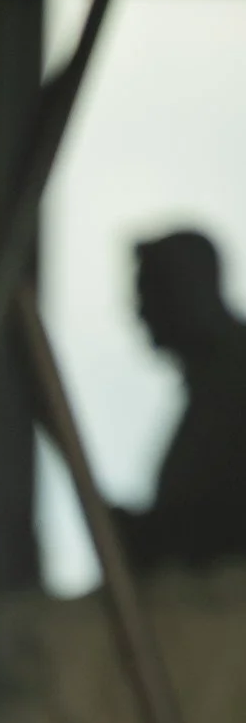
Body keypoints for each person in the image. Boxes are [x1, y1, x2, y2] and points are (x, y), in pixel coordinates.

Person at [126, 228, 246, 576]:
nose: (141, 312)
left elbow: (222, 521)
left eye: (148, 292)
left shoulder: (234, 384)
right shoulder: (214, 385)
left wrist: (153, 536)